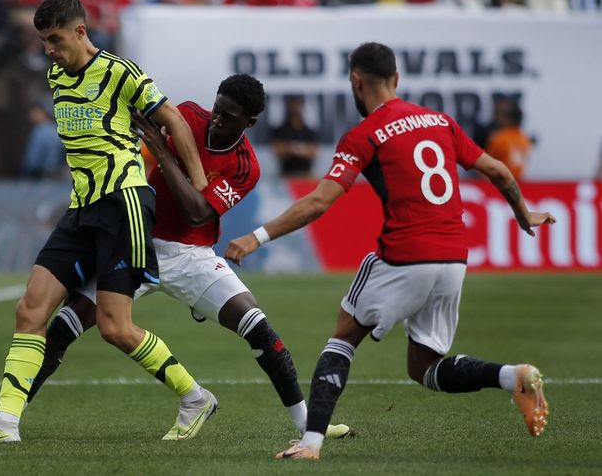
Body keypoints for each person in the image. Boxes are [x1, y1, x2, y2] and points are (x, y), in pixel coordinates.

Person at [0, 74, 350, 440]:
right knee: (63, 326)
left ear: (248, 122)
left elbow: (197, 212)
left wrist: (164, 151)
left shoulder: (245, 167)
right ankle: (6, 416)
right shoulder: (187, 118)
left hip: (191, 256)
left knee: (259, 329)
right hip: (136, 242)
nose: (217, 120)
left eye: (229, 116)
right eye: (217, 108)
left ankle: (307, 423)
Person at [225, 42, 555, 460]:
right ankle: (514, 377)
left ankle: (310, 444)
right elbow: (498, 170)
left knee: (343, 336)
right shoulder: (441, 122)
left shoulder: (364, 134)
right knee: (425, 369)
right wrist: (523, 213)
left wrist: (257, 237)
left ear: (356, 81)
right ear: (397, 79)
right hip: (454, 257)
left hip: (405, 253)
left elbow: (320, 201)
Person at [0, 0, 210, 443]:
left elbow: (175, 120)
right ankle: (5, 423)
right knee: (30, 308)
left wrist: (200, 185)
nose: (49, 49)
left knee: (114, 327)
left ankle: (195, 397)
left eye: (55, 39)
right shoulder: (56, 76)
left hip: (123, 204)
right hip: (82, 208)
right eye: (44, 40)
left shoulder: (119, 71)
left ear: (80, 31)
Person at [270, 94, 319, 178]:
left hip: (306, 174)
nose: (296, 108)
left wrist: (291, 148)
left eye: (298, 105)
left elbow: (313, 153)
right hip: (286, 174)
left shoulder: (308, 130)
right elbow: (279, 151)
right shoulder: (281, 130)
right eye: (293, 105)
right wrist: (302, 149)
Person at [484, 97, 533, 181]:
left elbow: (485, 166)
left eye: (501, 114)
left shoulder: (499, 138)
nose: (498, 117)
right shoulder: (525, 139)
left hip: (500, 182)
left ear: (508, 118)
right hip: (518, 183)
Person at [20, 97, 66, 179]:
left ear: (43, 112)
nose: (31, 114)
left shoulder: (40, 132)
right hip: (58, 179)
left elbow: (33, 163)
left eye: (34, 111)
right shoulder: (59, 130)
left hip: (40, 179)